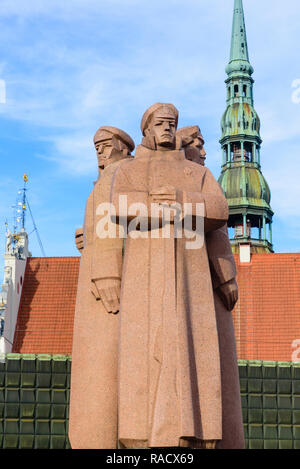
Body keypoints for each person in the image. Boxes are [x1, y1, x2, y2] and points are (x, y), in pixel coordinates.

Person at [110, 103, 229, 449]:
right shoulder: (131, 171)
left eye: (171, 124)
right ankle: (141, 435)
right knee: (145, 353)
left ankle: (194, 432)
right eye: (160, 123)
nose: (166, 128)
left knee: (190, 351)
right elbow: (120, 206)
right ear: (147, 129)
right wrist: (160, 211)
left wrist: (180, 201)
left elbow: (219, 209)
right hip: (142, 278)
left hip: (192, 281)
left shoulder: (196, 173)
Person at [177, 125, 245, 449]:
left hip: (206, 290)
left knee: (215, 368)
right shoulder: (187, 180)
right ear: (184, 148)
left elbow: (217, 231)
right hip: (188, 287)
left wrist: (226, 277)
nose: (204, 153)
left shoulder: (202, 180)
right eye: (198, 146)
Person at [69, 126, 135, 449]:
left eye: (106, 145)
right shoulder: (106, 178)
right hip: (94, 287)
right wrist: (87, 238)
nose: (100, 152)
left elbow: (121, 222)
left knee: (104, 372)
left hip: (107, 291)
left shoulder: (121, 175)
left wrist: (107, 268)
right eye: (96, 147)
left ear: (123, 147)